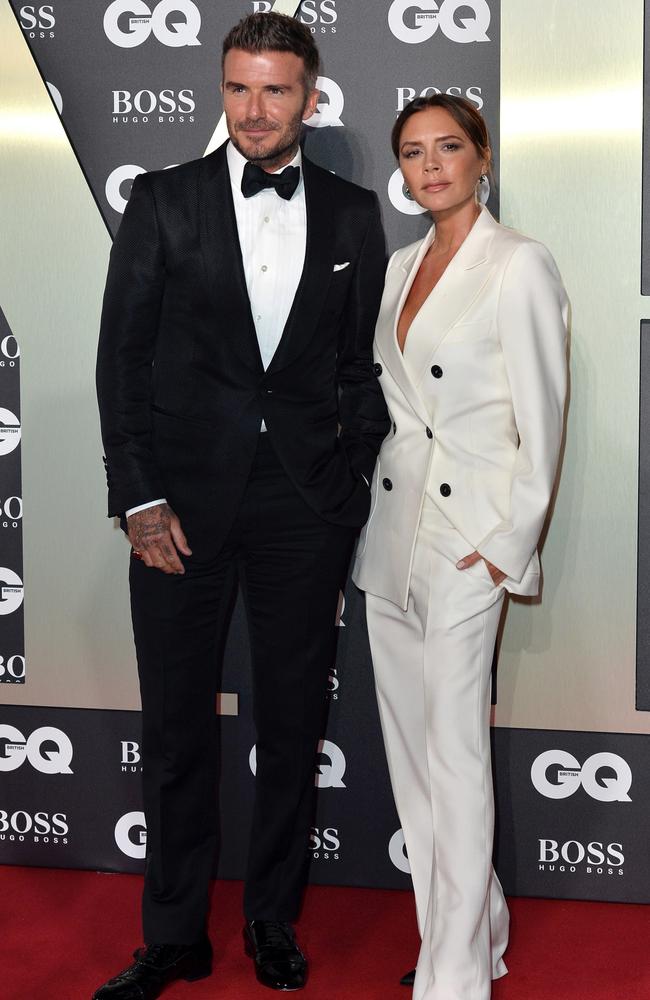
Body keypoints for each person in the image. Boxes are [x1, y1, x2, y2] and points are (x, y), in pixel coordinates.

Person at [93, 12, 389, 999]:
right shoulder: (164, 203)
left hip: (303, 503)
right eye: (236, 88)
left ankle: (270, 918)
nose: (253, 110)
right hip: (177, 502)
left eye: (274, 91)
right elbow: (121, 359)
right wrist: (136, 495)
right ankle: (173, 932)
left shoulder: (351, 214)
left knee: (293, 719)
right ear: (219, 89)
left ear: (310, 97)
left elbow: (357, 371)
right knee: (176, 724)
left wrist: (345, 488)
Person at [353, 94, 568, 1000]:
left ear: (483, 157)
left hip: (467, 541)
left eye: (449, 147)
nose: (430, 165)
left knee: (455, 756)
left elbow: (544, 416)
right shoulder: (400, 266)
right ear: (401, 172)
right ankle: (473, 933)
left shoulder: (519, 264)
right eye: (412, 152)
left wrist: (503, 539)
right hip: (392, 540)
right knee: (414, 764)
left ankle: (453, 979)